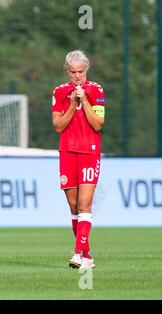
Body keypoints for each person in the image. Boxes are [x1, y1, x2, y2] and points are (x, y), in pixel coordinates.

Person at [51, 50, 105, 269]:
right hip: (67, 153)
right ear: (67, 71)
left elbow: (98, 124)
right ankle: (87, 256)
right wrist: (73, 105)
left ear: (87, 70)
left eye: (80, 71)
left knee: (85, 203)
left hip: (89, 153)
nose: (77, 76)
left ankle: (77, 253)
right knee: (74, 207)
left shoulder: (96, 90)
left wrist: (86, 102)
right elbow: (58, 126)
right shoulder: (59, 92)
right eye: (72, 72)